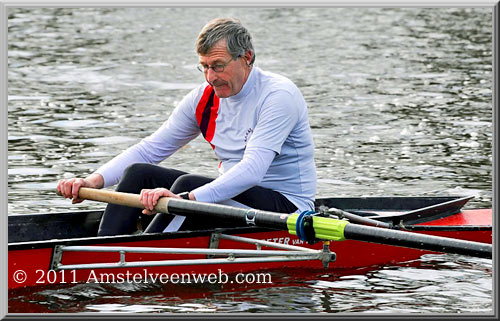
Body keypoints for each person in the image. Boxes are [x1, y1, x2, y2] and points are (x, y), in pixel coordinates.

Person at [57, 18, 317, 236]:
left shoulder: (278, 96)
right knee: (139, 173)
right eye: (204, 67)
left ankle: (135, 256)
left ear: (246, 57)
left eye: (218, 66)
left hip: (287, 210)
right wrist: (92, 181)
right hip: (234, 197)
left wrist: (187, 199)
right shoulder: (203, 99)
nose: (211, 77)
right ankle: (106, 249)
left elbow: (252, 172)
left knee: (188, 183)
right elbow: (150, 149)